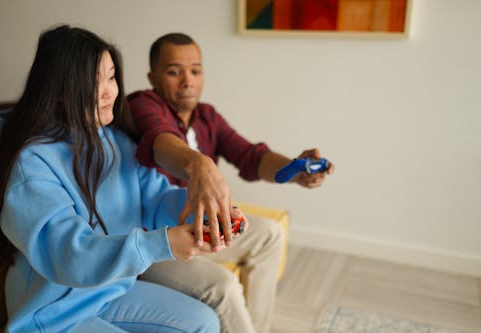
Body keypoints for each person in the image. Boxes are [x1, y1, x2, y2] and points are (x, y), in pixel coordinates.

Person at [0, 25, 232, 333]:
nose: (109, 91)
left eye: (111, 76)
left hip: (109, 291)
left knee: (204, 322)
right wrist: (161, 244)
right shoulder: (31, 163)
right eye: (92, 81)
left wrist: (206, 213)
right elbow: (70, 255)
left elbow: (156, 199)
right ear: (58, 89)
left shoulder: (115, 142)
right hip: (53, 313)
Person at [128, 33, 335, 333]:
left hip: (200, 228)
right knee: (224, 286)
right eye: (174, 71)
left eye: (195, 70)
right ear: (153, 76)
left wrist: (295, 170)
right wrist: (198, 163)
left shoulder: (206, 116)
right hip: (158, 241)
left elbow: (251, 157)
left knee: (270, 234)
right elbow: (161, 142)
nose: (187, 80)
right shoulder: (142, 105)